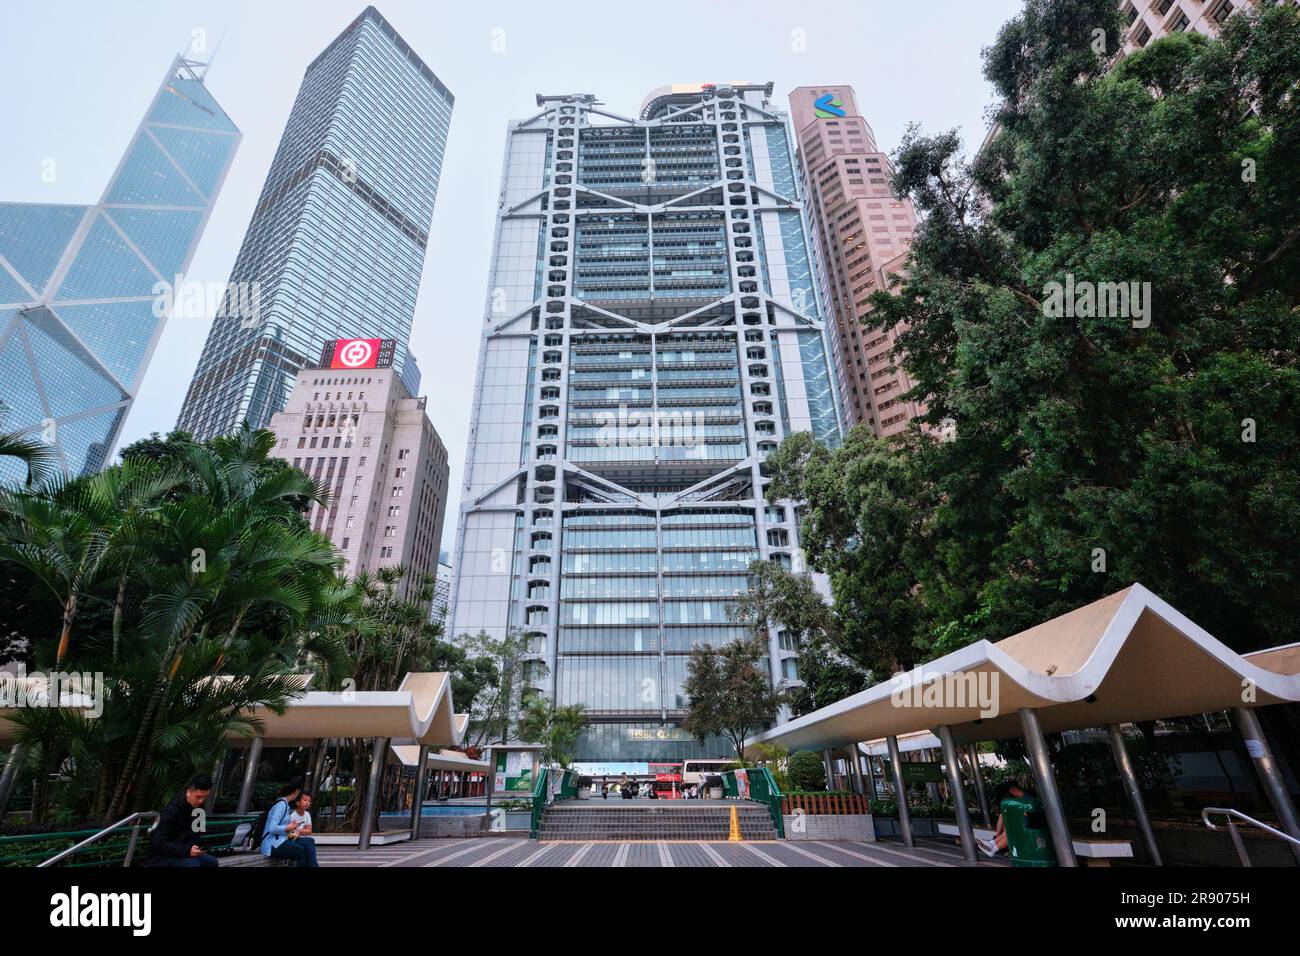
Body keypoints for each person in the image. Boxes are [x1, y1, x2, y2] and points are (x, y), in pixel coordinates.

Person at [146, 774, 220, 868]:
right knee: (193, 865)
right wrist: (187, 850)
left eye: (205, 797)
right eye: (198, 797)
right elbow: (158, 844)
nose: (201, 801)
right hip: (161, 856)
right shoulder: (170, 811)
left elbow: (197, 835)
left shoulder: (200, 810)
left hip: (184, 852)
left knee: (212, 862)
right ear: (188, 792)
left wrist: (199, 847)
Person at [260, 777, 320, 867]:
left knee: (309, 841)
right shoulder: (281, 805)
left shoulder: (285, 804)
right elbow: (272, 828)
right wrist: (288, 827)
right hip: (272, 844)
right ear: (297, 791)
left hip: (283, 838)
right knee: (300, 851)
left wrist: (292, 830)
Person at [980, 781, 1030, 858]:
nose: (1011, 793)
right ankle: (991, 844)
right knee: (1007, 828)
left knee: (1011, 833)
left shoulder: (1026, 799)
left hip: (1027, 827)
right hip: (1022, 825)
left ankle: (992, 848)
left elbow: (1027, 814)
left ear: (1013, 790)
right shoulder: (1019, 799)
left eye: (1010, 791)